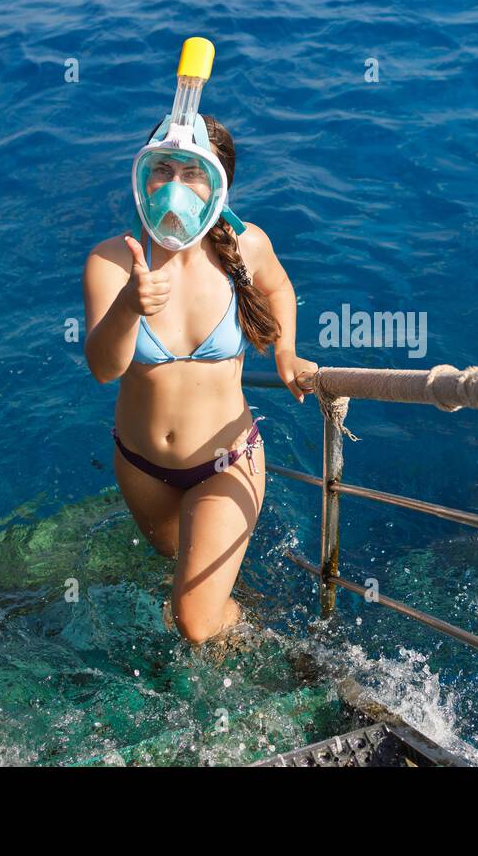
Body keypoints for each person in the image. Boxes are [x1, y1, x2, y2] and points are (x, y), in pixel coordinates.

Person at [83, 51, 315, 645]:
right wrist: (130, 306)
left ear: (219, 185)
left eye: (193, 175)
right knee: (183, 587)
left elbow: (279, 286)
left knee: (192, 620)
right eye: (164, 170)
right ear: (143, 175)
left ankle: (260, 651)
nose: (175, 189)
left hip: (226, 461)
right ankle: (241, 630)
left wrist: (286, 350)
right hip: (141, 468)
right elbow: (104, 369)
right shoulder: (112, 261)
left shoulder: (245, 244)